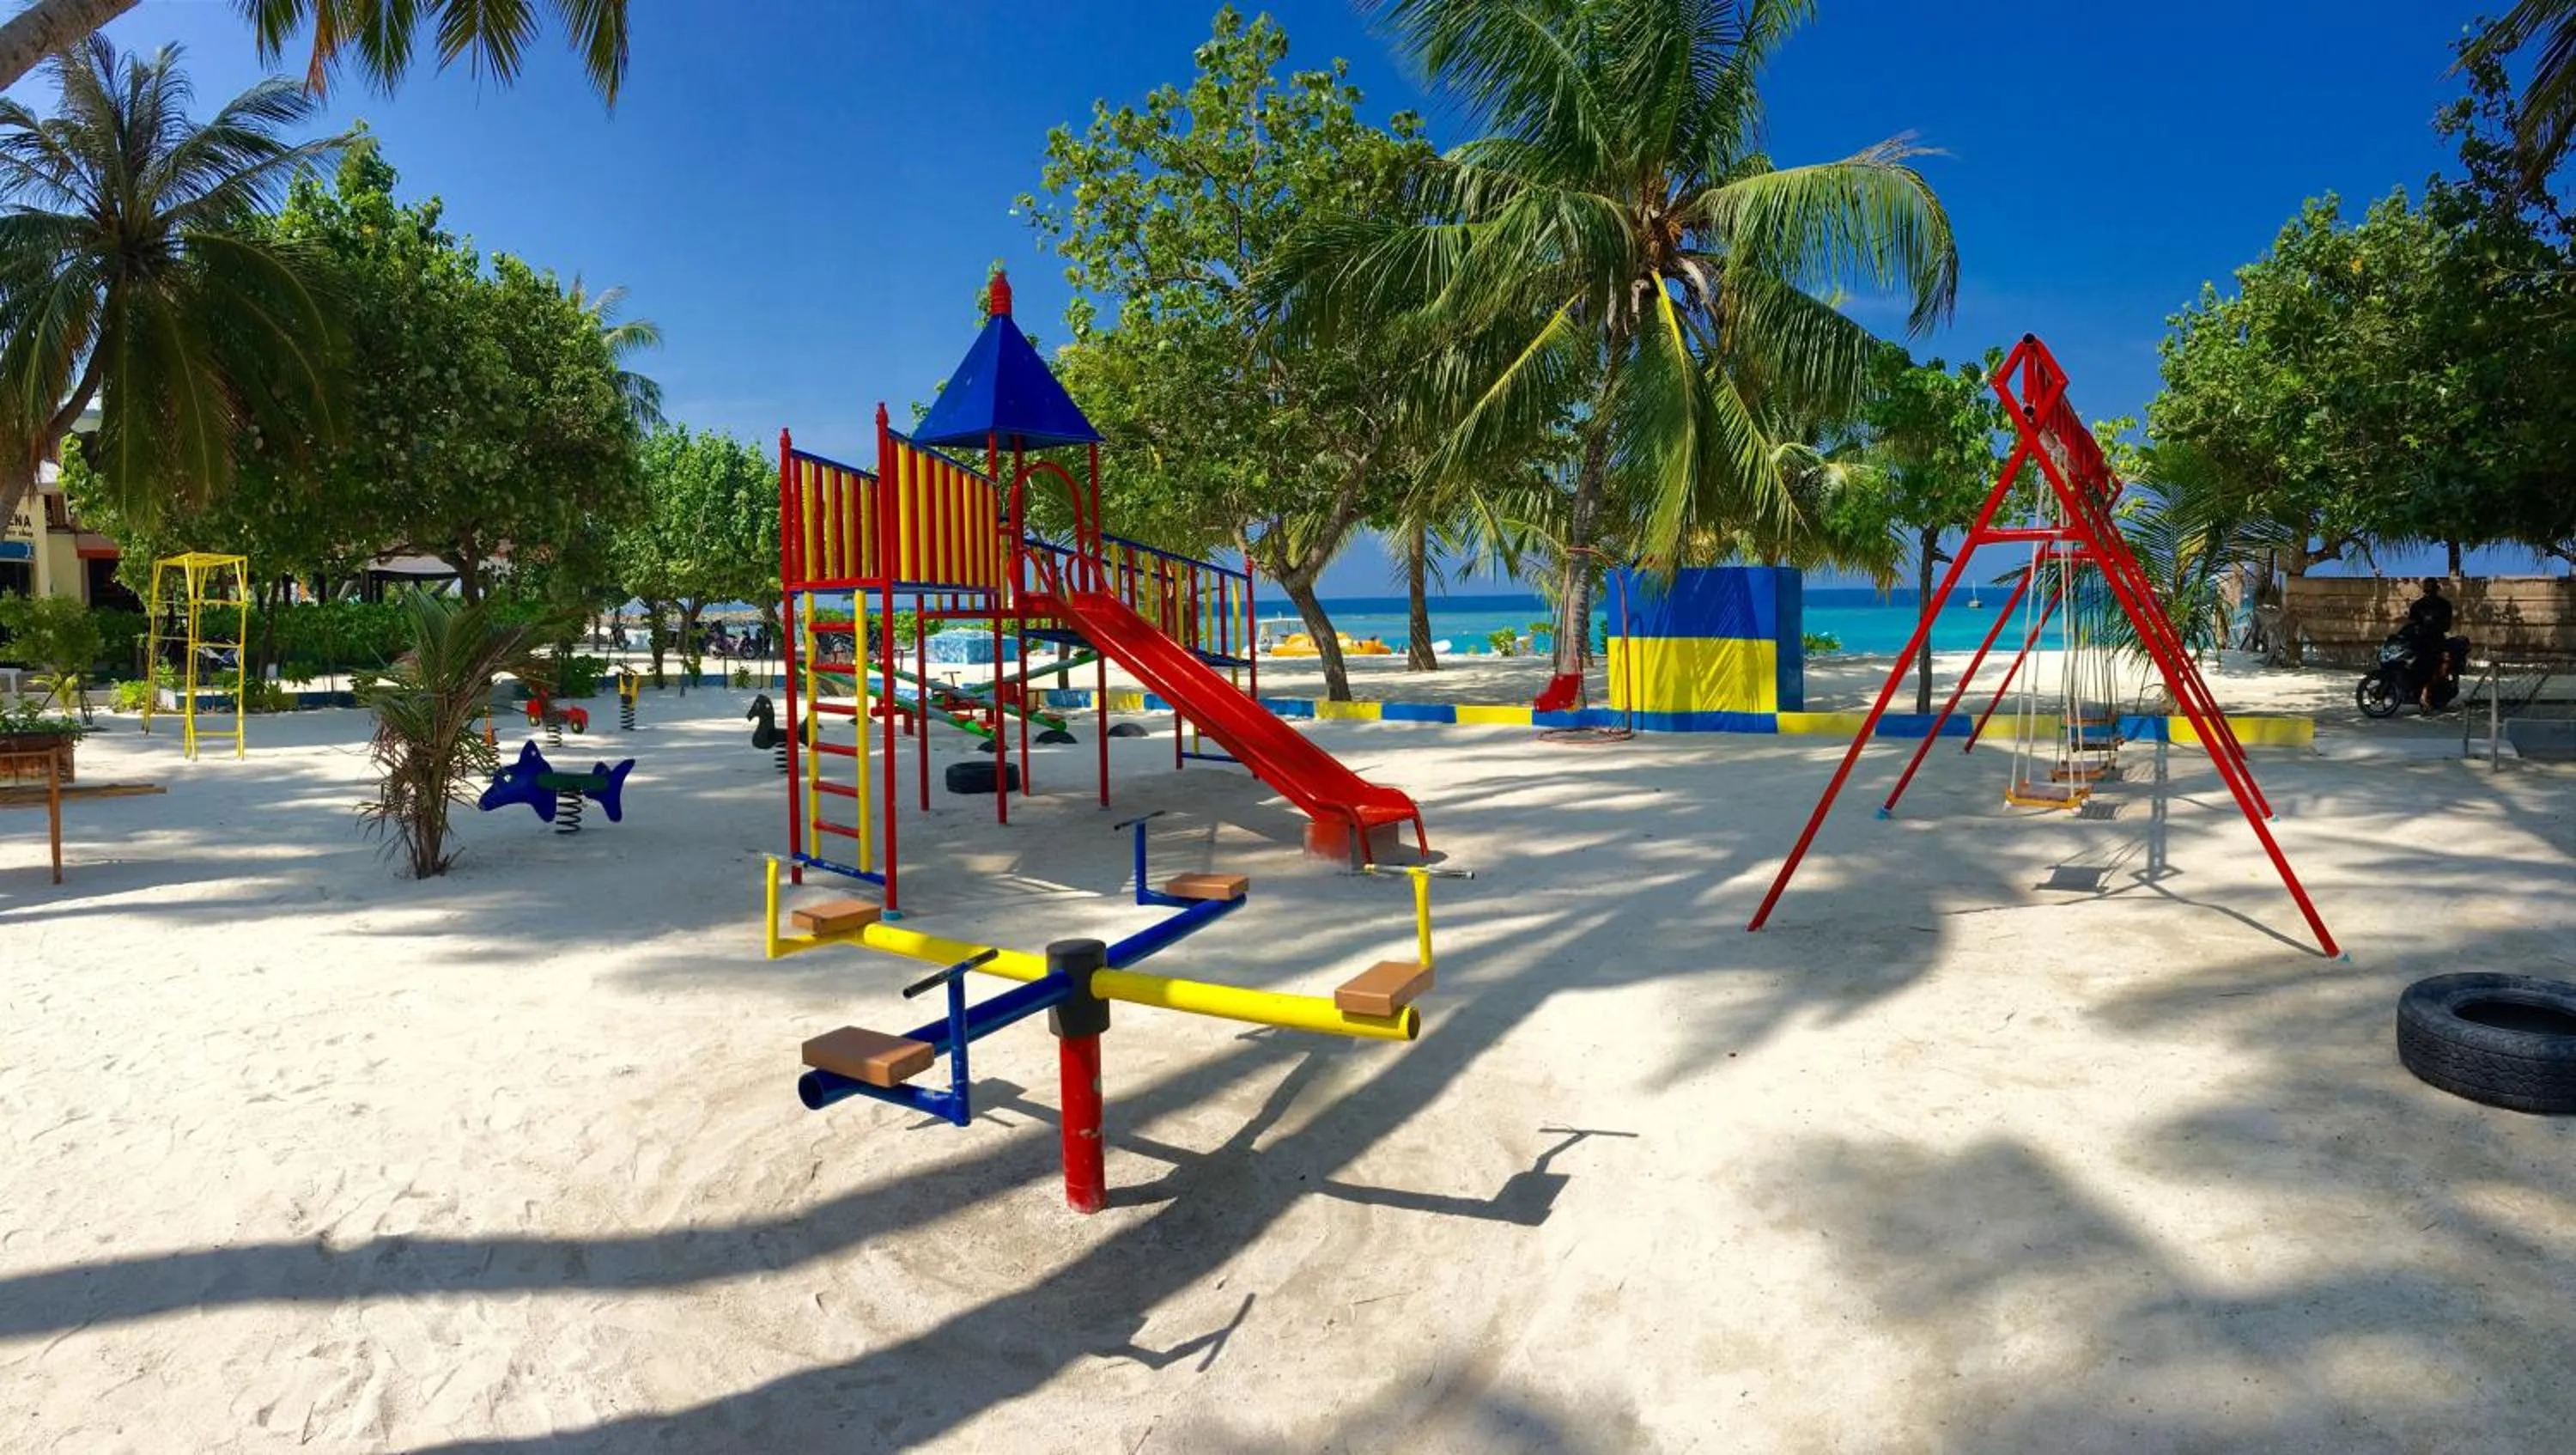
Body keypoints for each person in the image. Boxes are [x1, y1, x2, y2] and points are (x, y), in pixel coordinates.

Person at [2404, 577, 2455, 709]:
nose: (2429, 593)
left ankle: (2426, 691)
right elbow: (2411, 624)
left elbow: (2447, 626)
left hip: (2436, 641)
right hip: (2419, 642)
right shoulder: (2417, 606)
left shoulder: (2444, 605)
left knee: (2439, 665)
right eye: (2427, 590)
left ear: (2437, 589)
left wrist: (2433, 625)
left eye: (2432, 589)